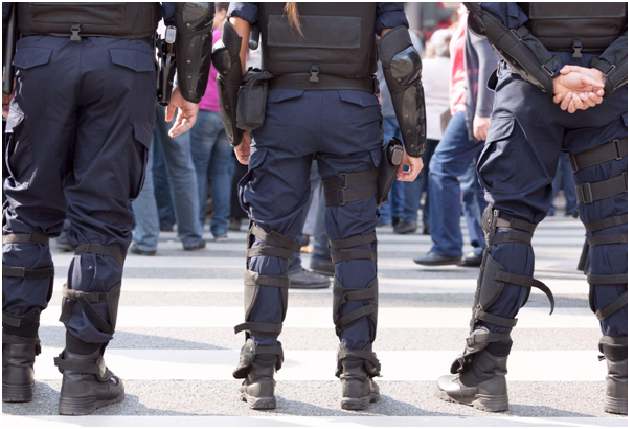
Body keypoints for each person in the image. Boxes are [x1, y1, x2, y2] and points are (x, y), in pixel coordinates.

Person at [2, 2, 213, 414]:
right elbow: (193, 10)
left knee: (26, 210)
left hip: (41, 59)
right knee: (101, 214)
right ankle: (82, 371)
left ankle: (12, 363)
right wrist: (188, 87)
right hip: (122, 63)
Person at [214, 2, 425, 411]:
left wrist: (237, 125)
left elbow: (231, 44)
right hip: (352, 113)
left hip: (282, 111)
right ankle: (356, 372)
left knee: (271, 238)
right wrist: (414, 142)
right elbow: (399, 57)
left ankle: (260, 369)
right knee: (354, 241)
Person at [436, 2, 628, 415]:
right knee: (615, 227)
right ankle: (624, 376)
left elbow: (490, 15)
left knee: (509, 224)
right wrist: (604, 74)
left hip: (528, 92)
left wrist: (551, 74)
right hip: (610, 97)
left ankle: (486, 369)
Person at [414, 5, 499, 267]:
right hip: (474, 106)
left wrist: (482, 112)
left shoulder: (476, 10)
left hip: (473, 107)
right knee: (476, 178)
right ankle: (482, 246)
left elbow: (487, 62)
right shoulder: (468, 13)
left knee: (441, 166)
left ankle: (447, 245)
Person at [130, 105, 205, 254]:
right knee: (182, 165)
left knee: (142, 164)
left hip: (139, 89)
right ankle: (191, 236)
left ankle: (147, 238)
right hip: (172, 87)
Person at [189, 3, 236, 243]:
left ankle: (195, 223)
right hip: (226, 113)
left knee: (197, 169)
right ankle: (220, 228)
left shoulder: (209, 38)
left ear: (219, 14)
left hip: (205, 110)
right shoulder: (236, 39)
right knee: (222, 171)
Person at [418, 29, 453, 235]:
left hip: (423, 124)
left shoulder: (424, 64)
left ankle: (411, 215)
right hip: (446, 126)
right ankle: (431, 220)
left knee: (418, 175)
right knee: (437, 175)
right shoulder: (455, 66)